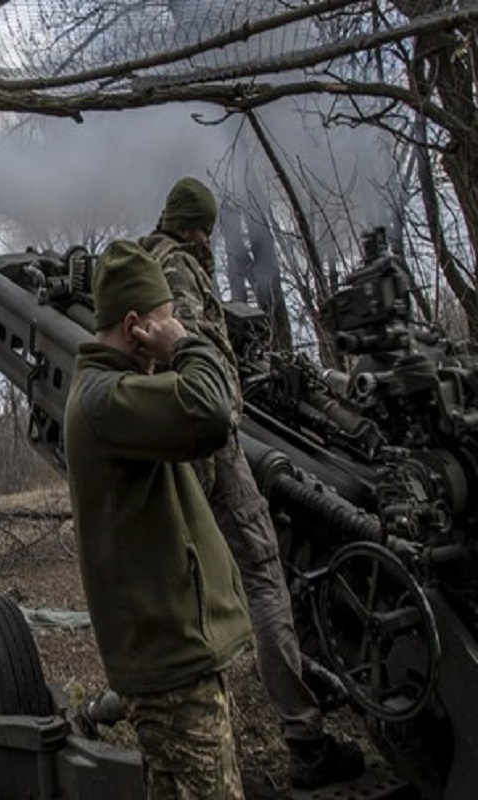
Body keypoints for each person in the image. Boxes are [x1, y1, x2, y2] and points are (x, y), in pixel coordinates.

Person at [141, 177, 365, 790]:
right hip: (210, 443)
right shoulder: (180, 269)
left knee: (192, 589)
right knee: (265, 575)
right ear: (190, 226)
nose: (210, 239)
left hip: (172, 448)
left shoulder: (144, 264)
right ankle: (305, 740)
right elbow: (190, 351)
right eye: (205, 227)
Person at [64, 239, 252, 799]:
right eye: (164, 321)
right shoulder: (106, 399)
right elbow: (212, 412)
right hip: (171, 667)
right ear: (134, 325)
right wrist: (187, 346)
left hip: (172, 659)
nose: (172, 330)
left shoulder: (118, 392)